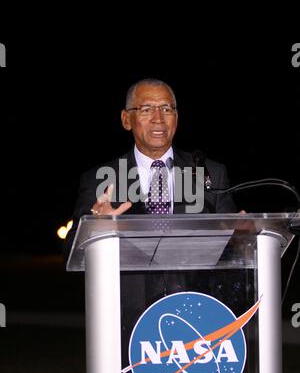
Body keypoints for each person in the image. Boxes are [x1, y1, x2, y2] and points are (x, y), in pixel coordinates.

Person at [65, 78, 236, 258]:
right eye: (146, 110)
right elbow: (70, 252)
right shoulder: (100, 180)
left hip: (192, 286)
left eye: (166, 109)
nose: (158, 119)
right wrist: (95, 230)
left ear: (176, 118)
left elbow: (233, 248)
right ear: (126, 120)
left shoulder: (210, 174)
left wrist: (238, 236)